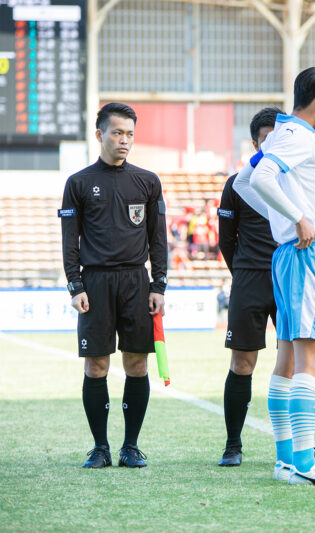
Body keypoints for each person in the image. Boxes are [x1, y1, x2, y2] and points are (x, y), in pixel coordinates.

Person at [233, 67, 315, 486]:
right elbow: (259, 179)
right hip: (307, 254)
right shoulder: (300, 136)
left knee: (287, 360)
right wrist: (297, 217)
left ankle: (288, 460)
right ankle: (304, 464)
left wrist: (282, 219)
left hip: (289, 254)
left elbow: (244, 180)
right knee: (312, 357)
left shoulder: (283, 134)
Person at [60, 102, 168, 468]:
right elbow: (69, 241)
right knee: (96, 367)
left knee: (137, 365)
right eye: (118, 132)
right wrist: (76, 286)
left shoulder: (148, 181)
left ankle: (131, 447)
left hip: (137, 282)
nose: (125, 140)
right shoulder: (78, 183)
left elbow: (158, 238)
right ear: (100, 134)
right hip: (96, 282)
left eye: (130, 134)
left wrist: (159, 285)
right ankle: (100, 447)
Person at [216, 107, 283, 467]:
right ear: (255, 142)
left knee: (295, 361)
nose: (271, 144)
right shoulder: (237, 184)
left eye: (278, 137)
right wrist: (243, 274)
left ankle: (298, 444)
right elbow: (226, 241)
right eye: (265, 138)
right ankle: (233, 444)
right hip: (249, 279)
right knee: (243, 362)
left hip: (288, 277)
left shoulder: (294, 180)